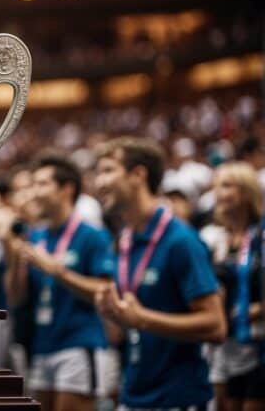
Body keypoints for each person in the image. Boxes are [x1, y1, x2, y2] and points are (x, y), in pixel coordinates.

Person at [93, 136, 227, 410]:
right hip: (134, 395)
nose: (98, 182)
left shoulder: (180, 240)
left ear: (138, 175)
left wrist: (142, 319)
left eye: (108, 170)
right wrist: (113, 314)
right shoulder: (125, 241)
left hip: (176, 398)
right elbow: (122, 332)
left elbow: (216, 326)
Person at [5, 153, 115, 411]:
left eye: (42, 184)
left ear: (67, 189)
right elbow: (16, 296)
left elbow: (105, 289)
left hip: (79, 344)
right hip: (43, 345)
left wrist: (58, 271)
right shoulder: (36, 235)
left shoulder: (93, 236)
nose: (34, 192)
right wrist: (12, 251)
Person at [199, 162, 264, 411]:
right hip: (226, 346)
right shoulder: (216, 238)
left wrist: (256, 310)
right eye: (216, 186)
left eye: (226, 185)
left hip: (258, 345)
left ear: (246, 192)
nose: (218, 193)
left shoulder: (261, 235)